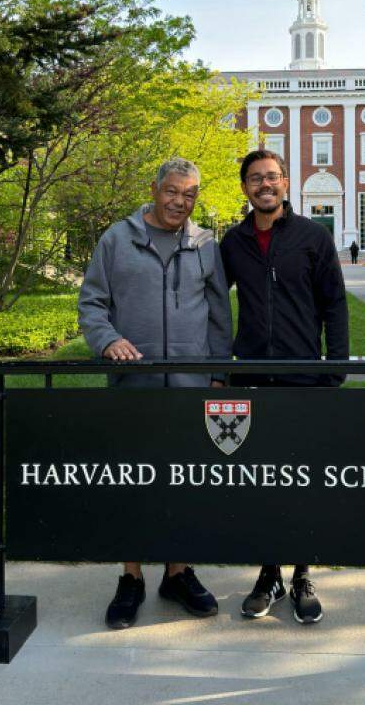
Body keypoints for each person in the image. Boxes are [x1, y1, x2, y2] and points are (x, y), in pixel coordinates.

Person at [78, 157, 232, 630]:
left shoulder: (205, 243)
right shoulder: (116, 239)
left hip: (191, 387)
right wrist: (108, 340)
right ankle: (131, 578)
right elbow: (92, 303)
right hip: (134, 386)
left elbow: (219, 314)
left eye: (189, 195)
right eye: (172, 192)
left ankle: (178, 573)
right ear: (155, 189)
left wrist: (219, 374)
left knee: (186, 481)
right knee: (132, 480)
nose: (179, 202)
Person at [220, 149, 349, 625]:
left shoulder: (313, 238)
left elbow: (335, 304)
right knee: (261, 481)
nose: (264, 185)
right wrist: (220, 364)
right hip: (253, 379)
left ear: (286, 183)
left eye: (271, 177)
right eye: (255, 179)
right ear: (245, 188)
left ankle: (301, 573)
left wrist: (335, 366)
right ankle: (269, 573)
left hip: (304, 378)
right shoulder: (232, 243)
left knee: (301, 481)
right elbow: (214, 305)